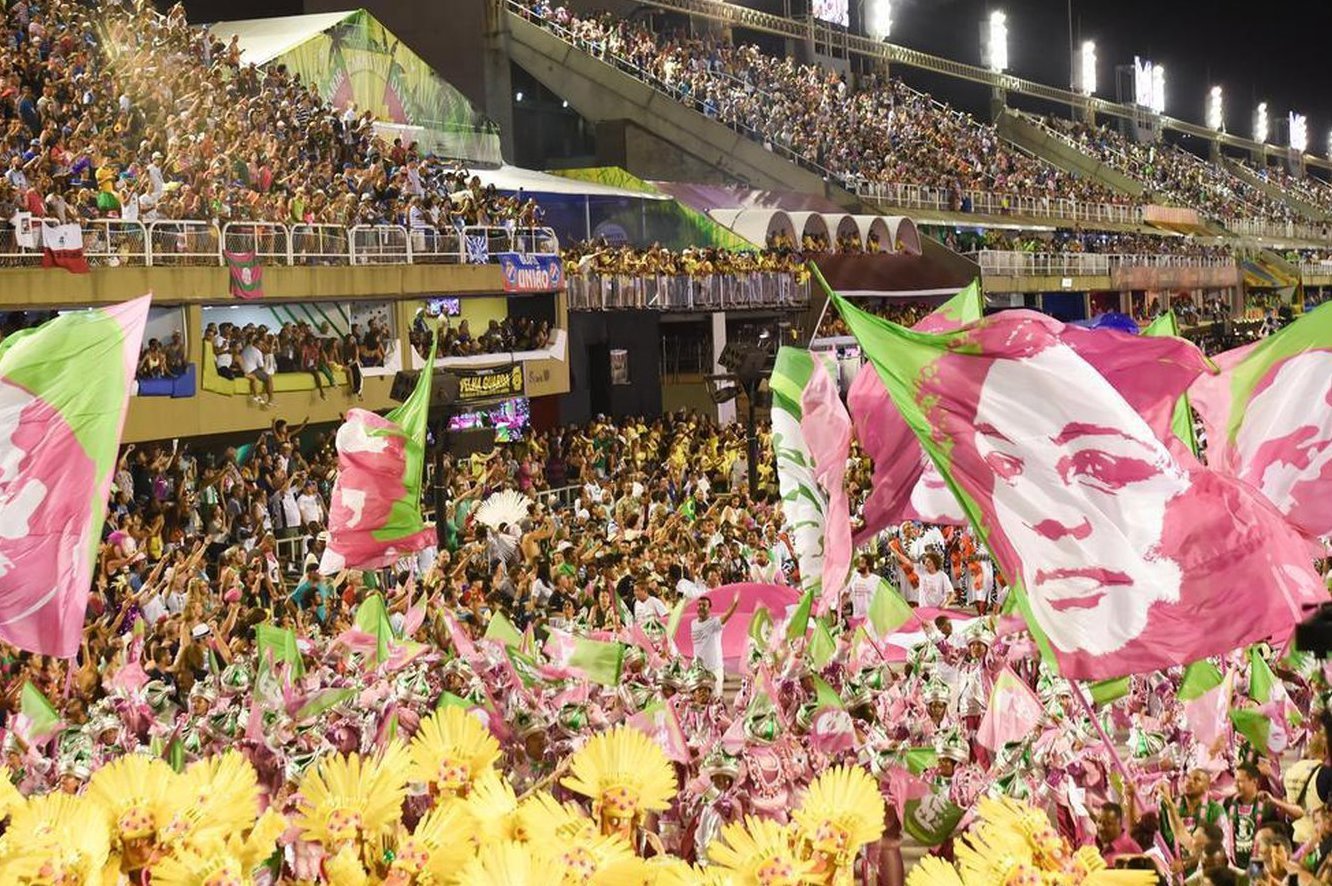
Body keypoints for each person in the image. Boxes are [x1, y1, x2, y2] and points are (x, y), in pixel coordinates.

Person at [1229, 762, 1303, 869]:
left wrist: (1274, 801)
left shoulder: (1267, 803)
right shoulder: (1230, 802)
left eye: (1240, 781)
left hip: (1260, 867)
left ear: (1254, 781)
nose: (1235, 784)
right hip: (1235, 866)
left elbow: (1299, 813)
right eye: (1235, 780)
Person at [690, 593, 739, 689]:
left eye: (704, 605)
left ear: (709, 608)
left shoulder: (714, 623)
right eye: (699, 605)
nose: (701, 607)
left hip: (714, 668)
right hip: (699, 669)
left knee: (716, 698)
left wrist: (735, 604)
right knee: (701, 699)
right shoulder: (693, 623)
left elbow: (727, 615)